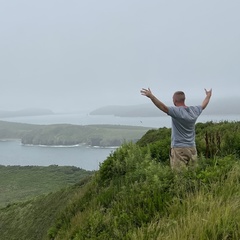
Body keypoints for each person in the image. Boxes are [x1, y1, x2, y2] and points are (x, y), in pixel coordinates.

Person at [140, 87, 212, 170]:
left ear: (175, 100)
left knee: (179, 176)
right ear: (184, 99)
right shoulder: (194, 111)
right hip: (192, 148)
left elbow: (163, 107)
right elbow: (203, 105)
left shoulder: (177, 112)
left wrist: (151, 96)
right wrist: (208, 95)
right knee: (192, 174)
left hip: (179, 149)